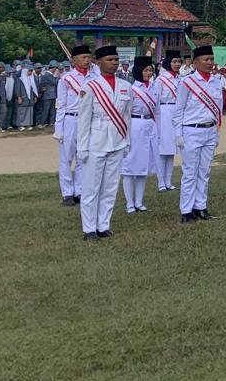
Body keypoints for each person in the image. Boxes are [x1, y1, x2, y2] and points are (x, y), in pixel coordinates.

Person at [76, 46, 132, 239]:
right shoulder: (90, 87)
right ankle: (89, 229)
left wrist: (127, 141)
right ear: (98, 62)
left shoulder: (126, 86)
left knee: (110, 187)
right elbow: (83, 120)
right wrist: (81, 147)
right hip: (95, 142)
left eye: (116, 59)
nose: (114, 62)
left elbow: (126, 117)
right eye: (110, 59)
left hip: (117, 140)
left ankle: (103, 225)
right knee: (91, 188)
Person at [174, 45, 224, 223]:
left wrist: (217, 132)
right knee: (190, 172)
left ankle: (200, 207)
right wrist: (178, 134)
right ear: (195, 63)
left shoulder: (217, 81)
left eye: (211, 59)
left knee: (204, 171)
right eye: (206, 59)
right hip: (191, 130)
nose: (210, 63)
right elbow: (178, 110)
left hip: (210, 130)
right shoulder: (187, 82)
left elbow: (218, 109)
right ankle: (186, 211)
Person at [55, 45, 93, 205]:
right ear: (74, 60)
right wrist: (59, 128)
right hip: (70, 119)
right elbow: (60, 105)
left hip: (87, 120)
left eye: (88, 57)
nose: (87, 60)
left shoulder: (94, 77)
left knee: (82, 156)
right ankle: (67, 193)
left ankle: (79, 190)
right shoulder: (66, 79)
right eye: (83, 57)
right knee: (66, 158)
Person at [121, 56, 158, 216]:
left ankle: (139, 201)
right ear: (138, 71)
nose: (148, 73)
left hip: (150, 126)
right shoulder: (131, 89)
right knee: (129, 166)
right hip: (134, 127)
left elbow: (157, 110)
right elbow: (125, 113)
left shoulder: (154, 88)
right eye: (145, 70)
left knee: (143, 166)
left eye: (150, 70)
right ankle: (129, 203)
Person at [151, 50, 182, 192]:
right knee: (162, 149)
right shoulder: (161, 79)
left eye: (178, 61)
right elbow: (155, 100)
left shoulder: (180, 79)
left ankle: (168, 181)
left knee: (171, 150)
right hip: (164, 113)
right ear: (168, 63)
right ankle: (160, 182)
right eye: (174, 61)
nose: (177, 64)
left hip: (176, 114)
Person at [14, 62, 38, 128]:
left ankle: (28, 124)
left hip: (30, 98)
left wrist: (35, 96)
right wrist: (19, 97)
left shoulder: (31, 78)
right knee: (22, 111)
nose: (30, 72)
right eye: (29, 71)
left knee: (29, 110)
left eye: (31, 71)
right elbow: (17, 88)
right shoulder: (20, 79)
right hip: (23, 97)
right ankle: (20, 125)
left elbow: (34, 89)